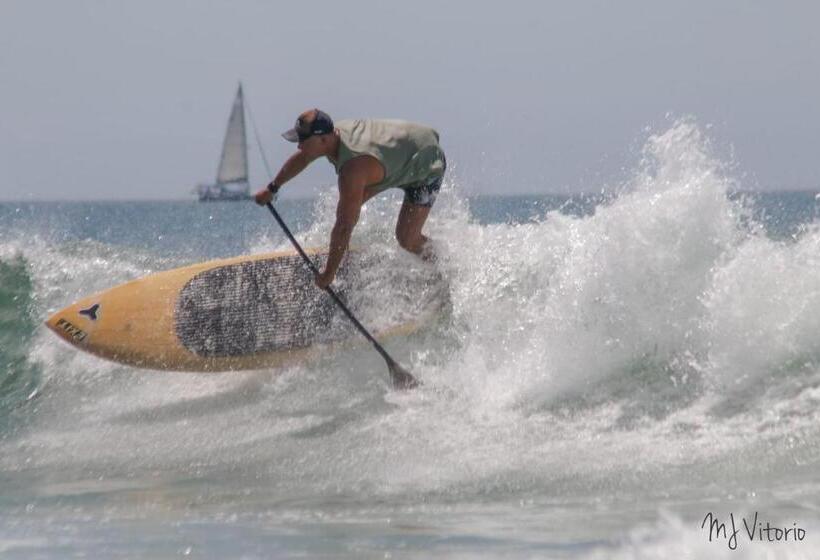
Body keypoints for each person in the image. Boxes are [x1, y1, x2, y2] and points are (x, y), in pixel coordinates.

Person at [254, 109, 446, 289]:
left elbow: (344, 225)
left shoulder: (353, 170)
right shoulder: (332, 136)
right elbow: (302, 158)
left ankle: (444, 270)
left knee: (406, 237)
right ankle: (342, 259)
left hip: (425, 163)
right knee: (348, 210)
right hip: (393, 157)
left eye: (303, 141)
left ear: (323, 139)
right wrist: (273, 188)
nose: (299, 145)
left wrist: (328, 274)